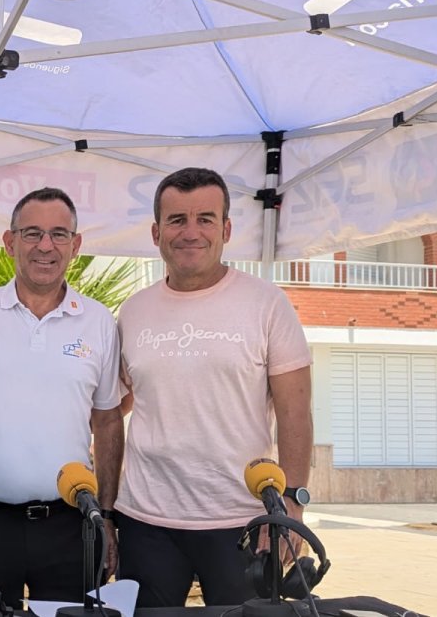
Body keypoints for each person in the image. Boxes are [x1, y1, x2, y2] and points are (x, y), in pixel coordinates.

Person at [115, 167, 313, 608]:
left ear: (226, 230)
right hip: (146, 520)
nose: (191, 232)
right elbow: (117, 405)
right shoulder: (133, 311)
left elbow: (296, 412)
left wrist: (292, 501)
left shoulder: (267, 304)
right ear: (156, 232)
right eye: (177, 220)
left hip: (242, 519)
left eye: (205, 219)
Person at [0, 187, 123, 608]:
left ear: (75, 245)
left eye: (59, 234)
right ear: (9, 242)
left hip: (70, 525)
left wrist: (107, 515)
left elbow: (109, 418)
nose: (45, 246)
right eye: (32, 233)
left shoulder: (98, 322)